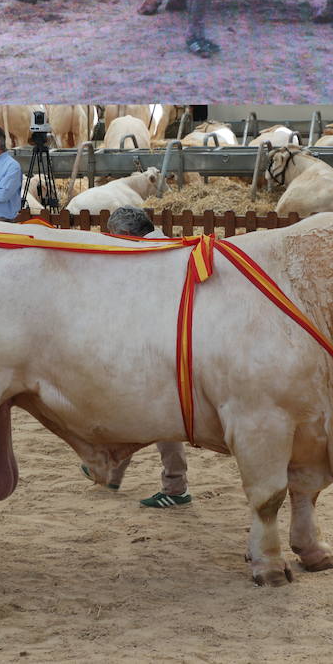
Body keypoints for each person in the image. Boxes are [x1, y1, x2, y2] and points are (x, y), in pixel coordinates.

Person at [90, 205, 192, 508]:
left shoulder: (149, 254)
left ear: (125, 234)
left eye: (115, 236)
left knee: (160, 418)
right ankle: (112, 470)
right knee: (139, 410)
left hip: (160, 347)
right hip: (167, 343)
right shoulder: (165, 245)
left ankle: (175, 486)